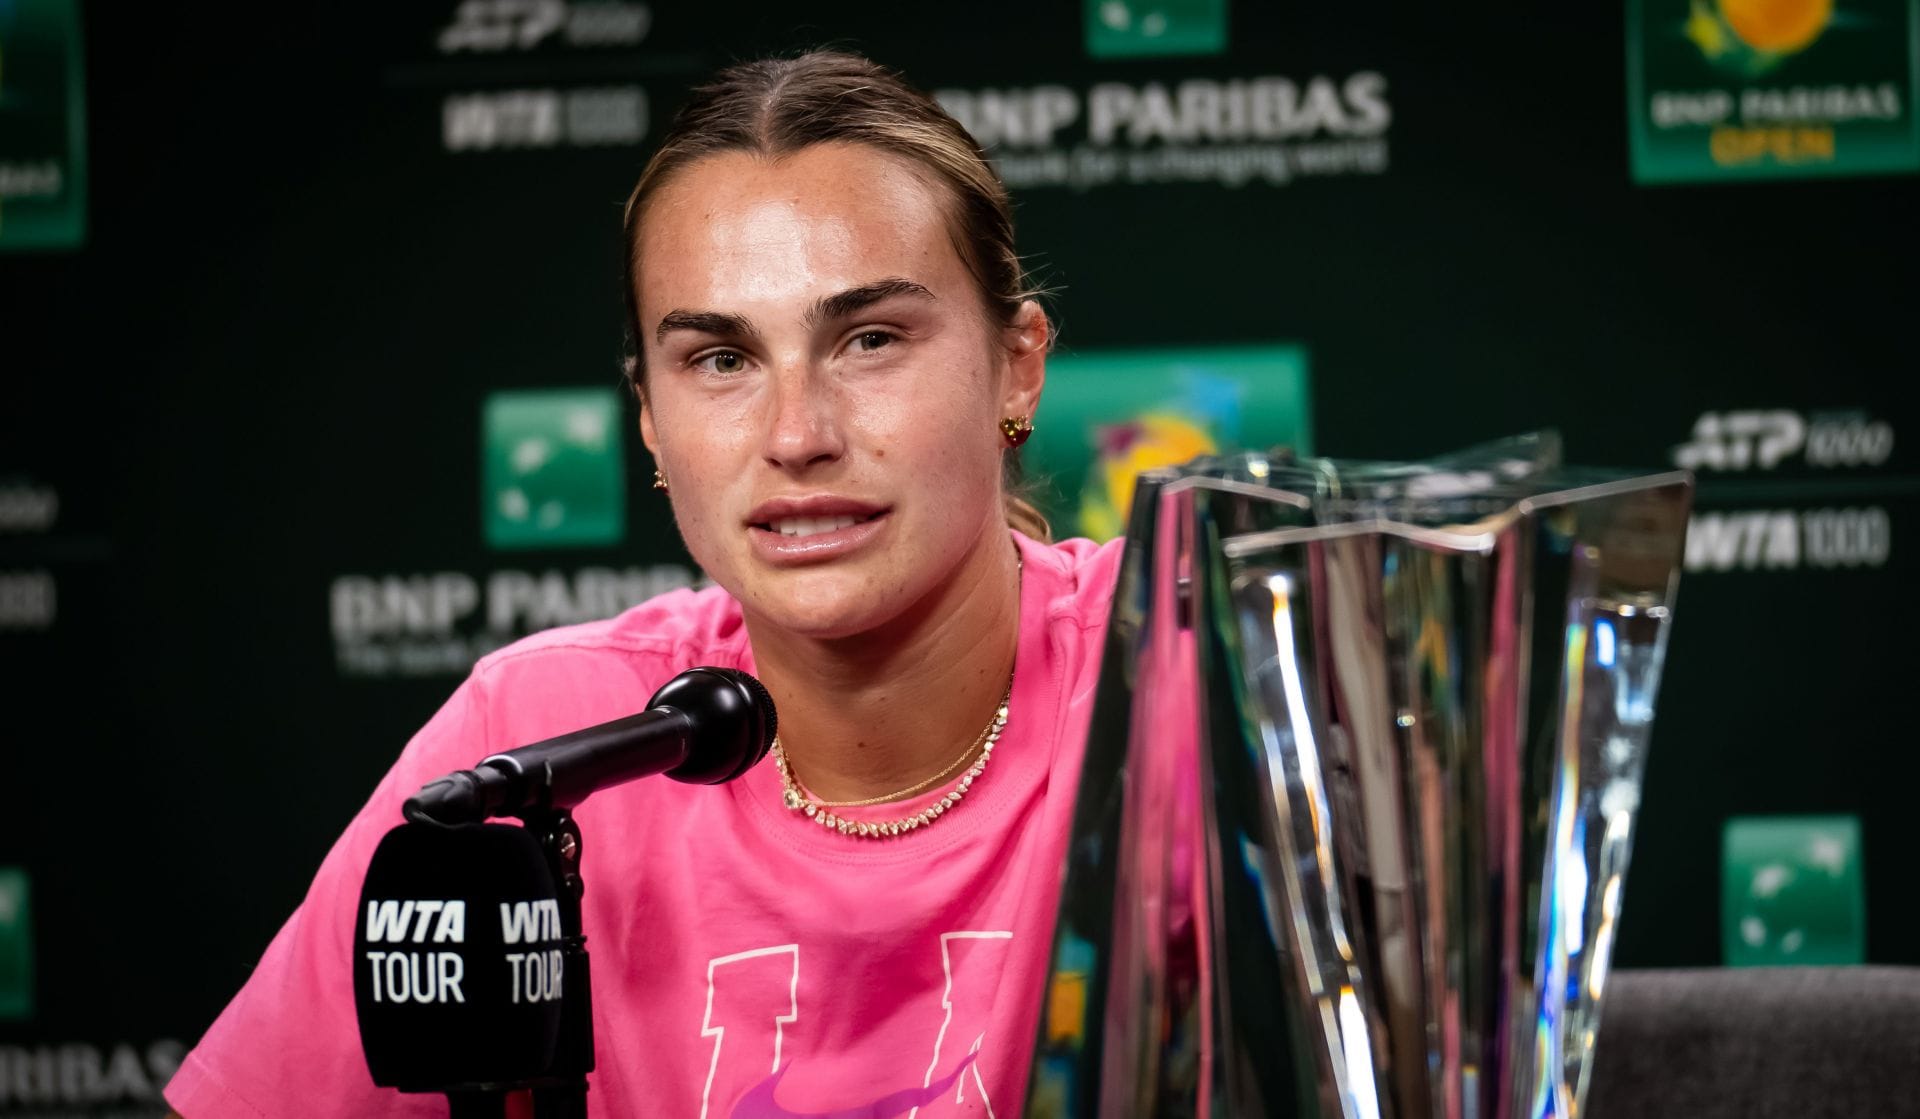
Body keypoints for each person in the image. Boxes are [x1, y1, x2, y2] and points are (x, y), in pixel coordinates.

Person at [164, 49, 1121, 1118]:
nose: (797, 436)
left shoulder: (1177, 670)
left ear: (1017, 365)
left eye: (870, 339)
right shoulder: (541, 740)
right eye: (721, 359)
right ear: (652, 421)